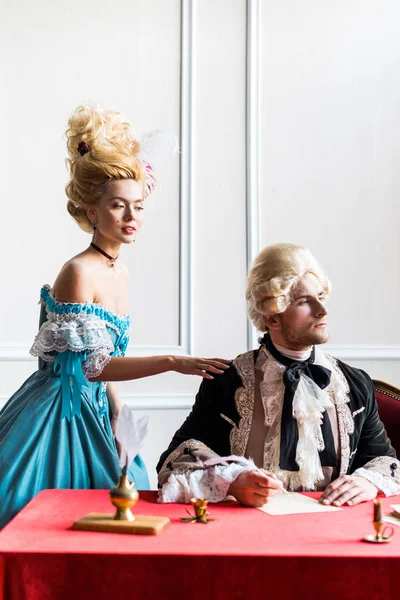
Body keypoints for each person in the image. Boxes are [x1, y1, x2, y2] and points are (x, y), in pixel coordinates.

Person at [0, 105, 229, 529]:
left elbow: (101, 367)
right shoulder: (78, 271)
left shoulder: (118, 270)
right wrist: (174, 362)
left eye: (138, 207)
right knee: (47, 515)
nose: (131, 218)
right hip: (58, 414)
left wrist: (118, 408)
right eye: (118, 206)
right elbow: (93, 365)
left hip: (97, 406)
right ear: (92, 212)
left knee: (118, 510)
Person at [157, 243, 400, 507]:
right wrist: (232, 481)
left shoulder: (353, 383)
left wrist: (367, 481)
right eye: (305, 301)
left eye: (320, 296)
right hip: (250, 529)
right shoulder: (227, 381)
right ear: (273, 318)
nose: (322, 309)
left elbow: (384, 460)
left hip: (334, 529)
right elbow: (175, 459)